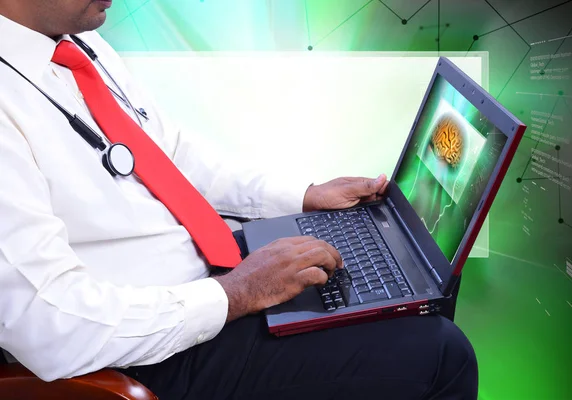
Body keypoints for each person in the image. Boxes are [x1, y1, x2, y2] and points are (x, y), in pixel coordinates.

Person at [0, 1, 478, 399]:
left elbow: (169, 154)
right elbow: (48, 321)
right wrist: (236, 294)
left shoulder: (74, 40)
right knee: (440, 353)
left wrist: (304, 197)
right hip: (145, 346)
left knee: (401, 284)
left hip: (207, 278)